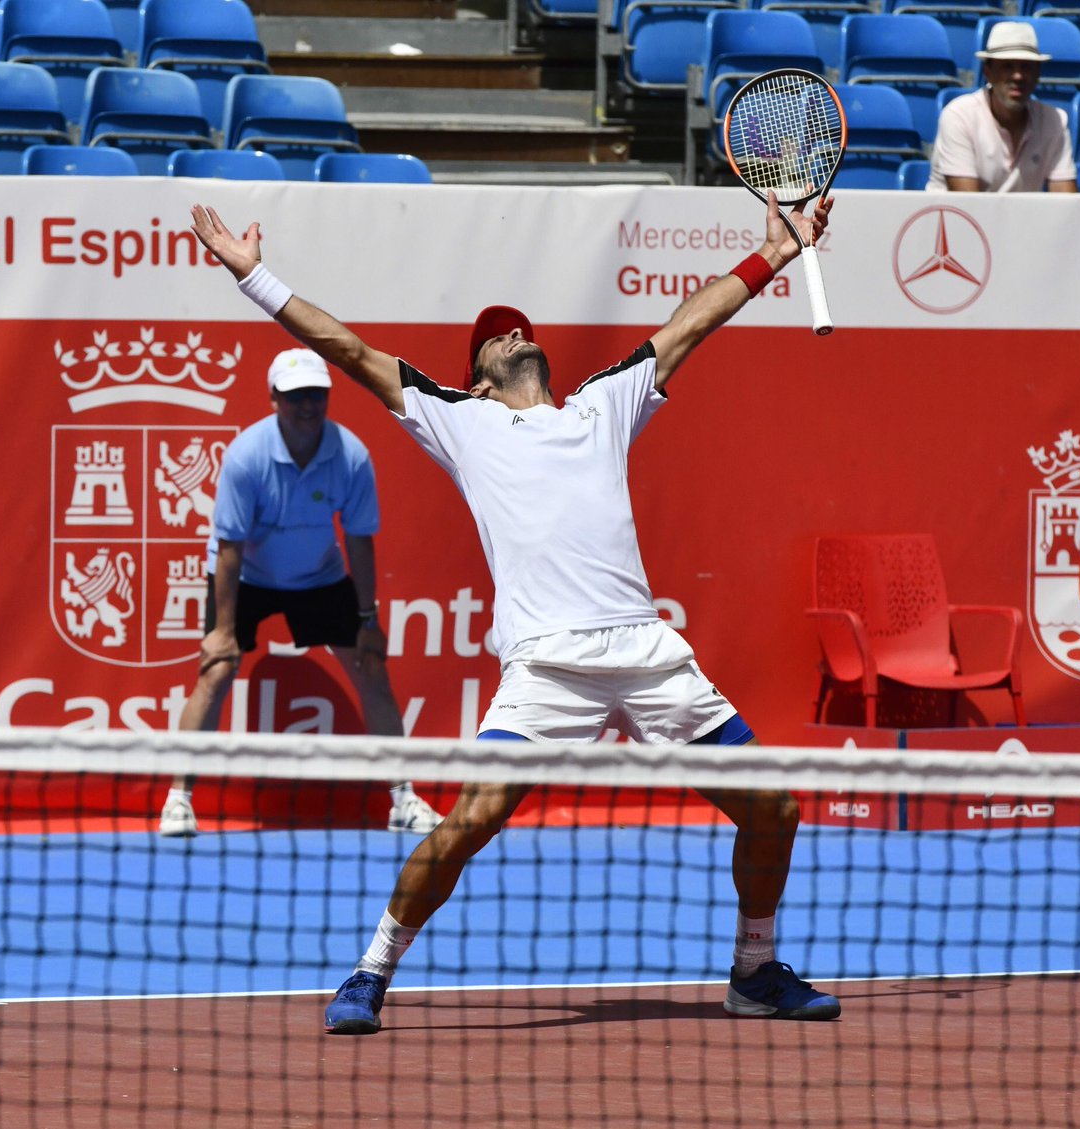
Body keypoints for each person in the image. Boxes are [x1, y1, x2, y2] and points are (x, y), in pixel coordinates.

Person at [188, 189, 842, 1033]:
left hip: (647, 653)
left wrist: (777, 256)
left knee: (774, 808)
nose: (514, 331)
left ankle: (754, 969)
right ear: (478, 376)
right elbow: (344, 348)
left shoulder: (605, 402)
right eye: (496, 332)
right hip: (547, 665)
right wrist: (255, 279)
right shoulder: (457, 419)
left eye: (519, 325)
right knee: (470, 821)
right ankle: (369, 970)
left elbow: (688, 326)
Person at [157, 347, 442, 838]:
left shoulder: (350, 455)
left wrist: (368, 621)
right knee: (217, 668)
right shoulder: (247, 456)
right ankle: (178, 801)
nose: (307, 405)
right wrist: (223, 631)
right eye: (295, 397)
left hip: (318, 576)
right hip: (246, 574)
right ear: (273, 399)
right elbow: (228, 546)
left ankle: (403, 800)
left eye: (315, 394)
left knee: (370, 667)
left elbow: (358, 540)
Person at [928, 21, 1077, 193]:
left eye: (1026, 67)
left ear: (1038, 74)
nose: (1018, 76)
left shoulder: (1055, 120)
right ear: (988, 72)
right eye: (1007, 66)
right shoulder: (959, 116)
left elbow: (1067, 204)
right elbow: (967, 206)